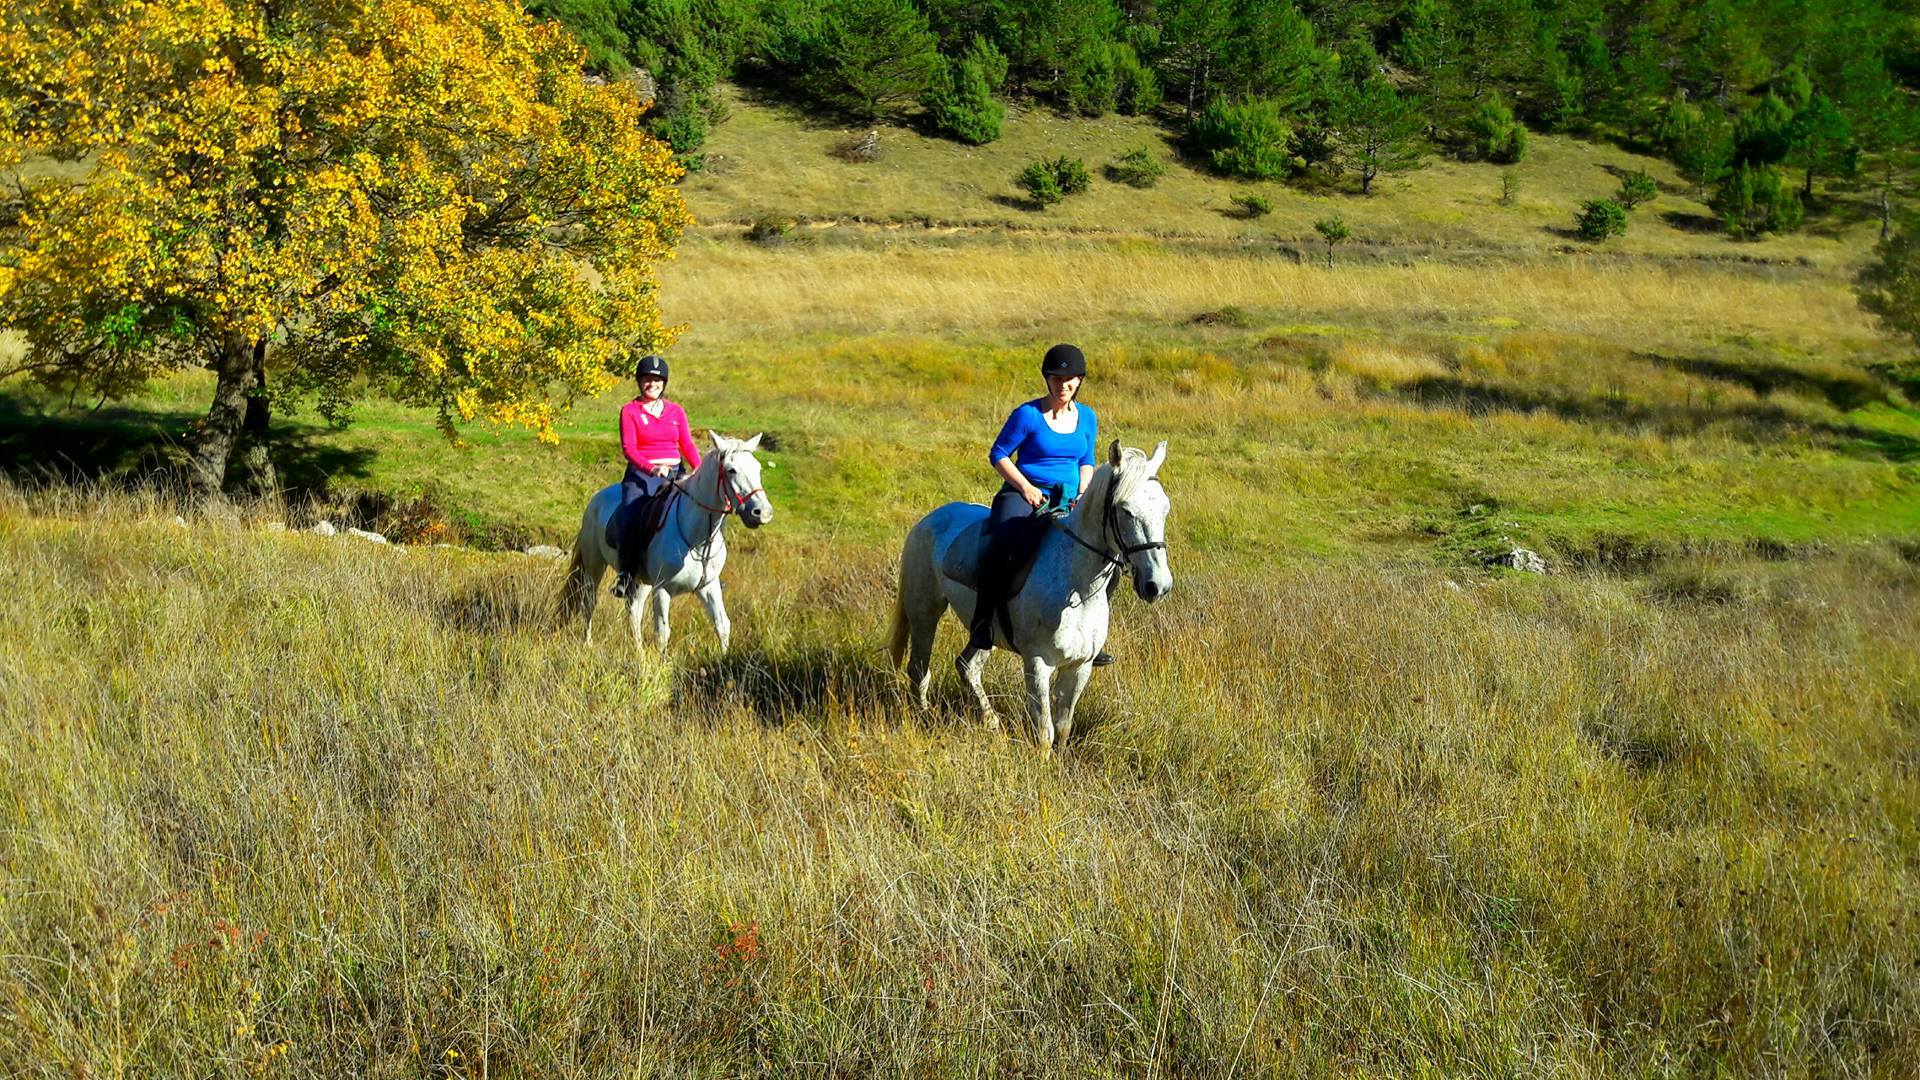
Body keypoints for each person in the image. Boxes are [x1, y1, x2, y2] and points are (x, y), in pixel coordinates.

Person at [963, 342, 1115, 666]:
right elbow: (998, 454)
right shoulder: (1028, 415)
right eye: (1056, 379)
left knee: (1107, 554)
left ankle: (1093, 636)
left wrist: (1083, 491)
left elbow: (1086, 460)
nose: (1063, 386)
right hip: (1022, 495)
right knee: (1002, 545)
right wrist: (1026, 487)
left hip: (1069, 499)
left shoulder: (1087, 418)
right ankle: (982, 623)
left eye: (1069, 379)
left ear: (1079, 380)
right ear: (1047, 379)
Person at [612, 354, 702, 597]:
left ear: (664, 383)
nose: (652, 384)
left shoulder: (676, 411)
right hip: (642, 475)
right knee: (631, 514)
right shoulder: (630, 411)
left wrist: (699, 468)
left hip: (675, 473)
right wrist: (652, 468)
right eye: (647, 379)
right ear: (639, 382)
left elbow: (687, 444)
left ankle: (708, 572)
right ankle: (626, 574)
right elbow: (629, 449)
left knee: (702, 509)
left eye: (657, 380)